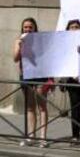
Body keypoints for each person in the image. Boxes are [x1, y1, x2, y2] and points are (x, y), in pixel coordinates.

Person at [13, 18, 50, 148]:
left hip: (40, 76)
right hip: (26, 76)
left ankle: (43, 138)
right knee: (30, 107)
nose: (28, 29)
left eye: (30, 27)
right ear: (22, 28)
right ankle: (31, 136)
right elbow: (15, 59)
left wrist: (50, 77)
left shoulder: (40, 41)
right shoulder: (18, 40)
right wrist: (20, 46)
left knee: (42, 107)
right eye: (25, 27)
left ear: (35, 28)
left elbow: (47, 57)